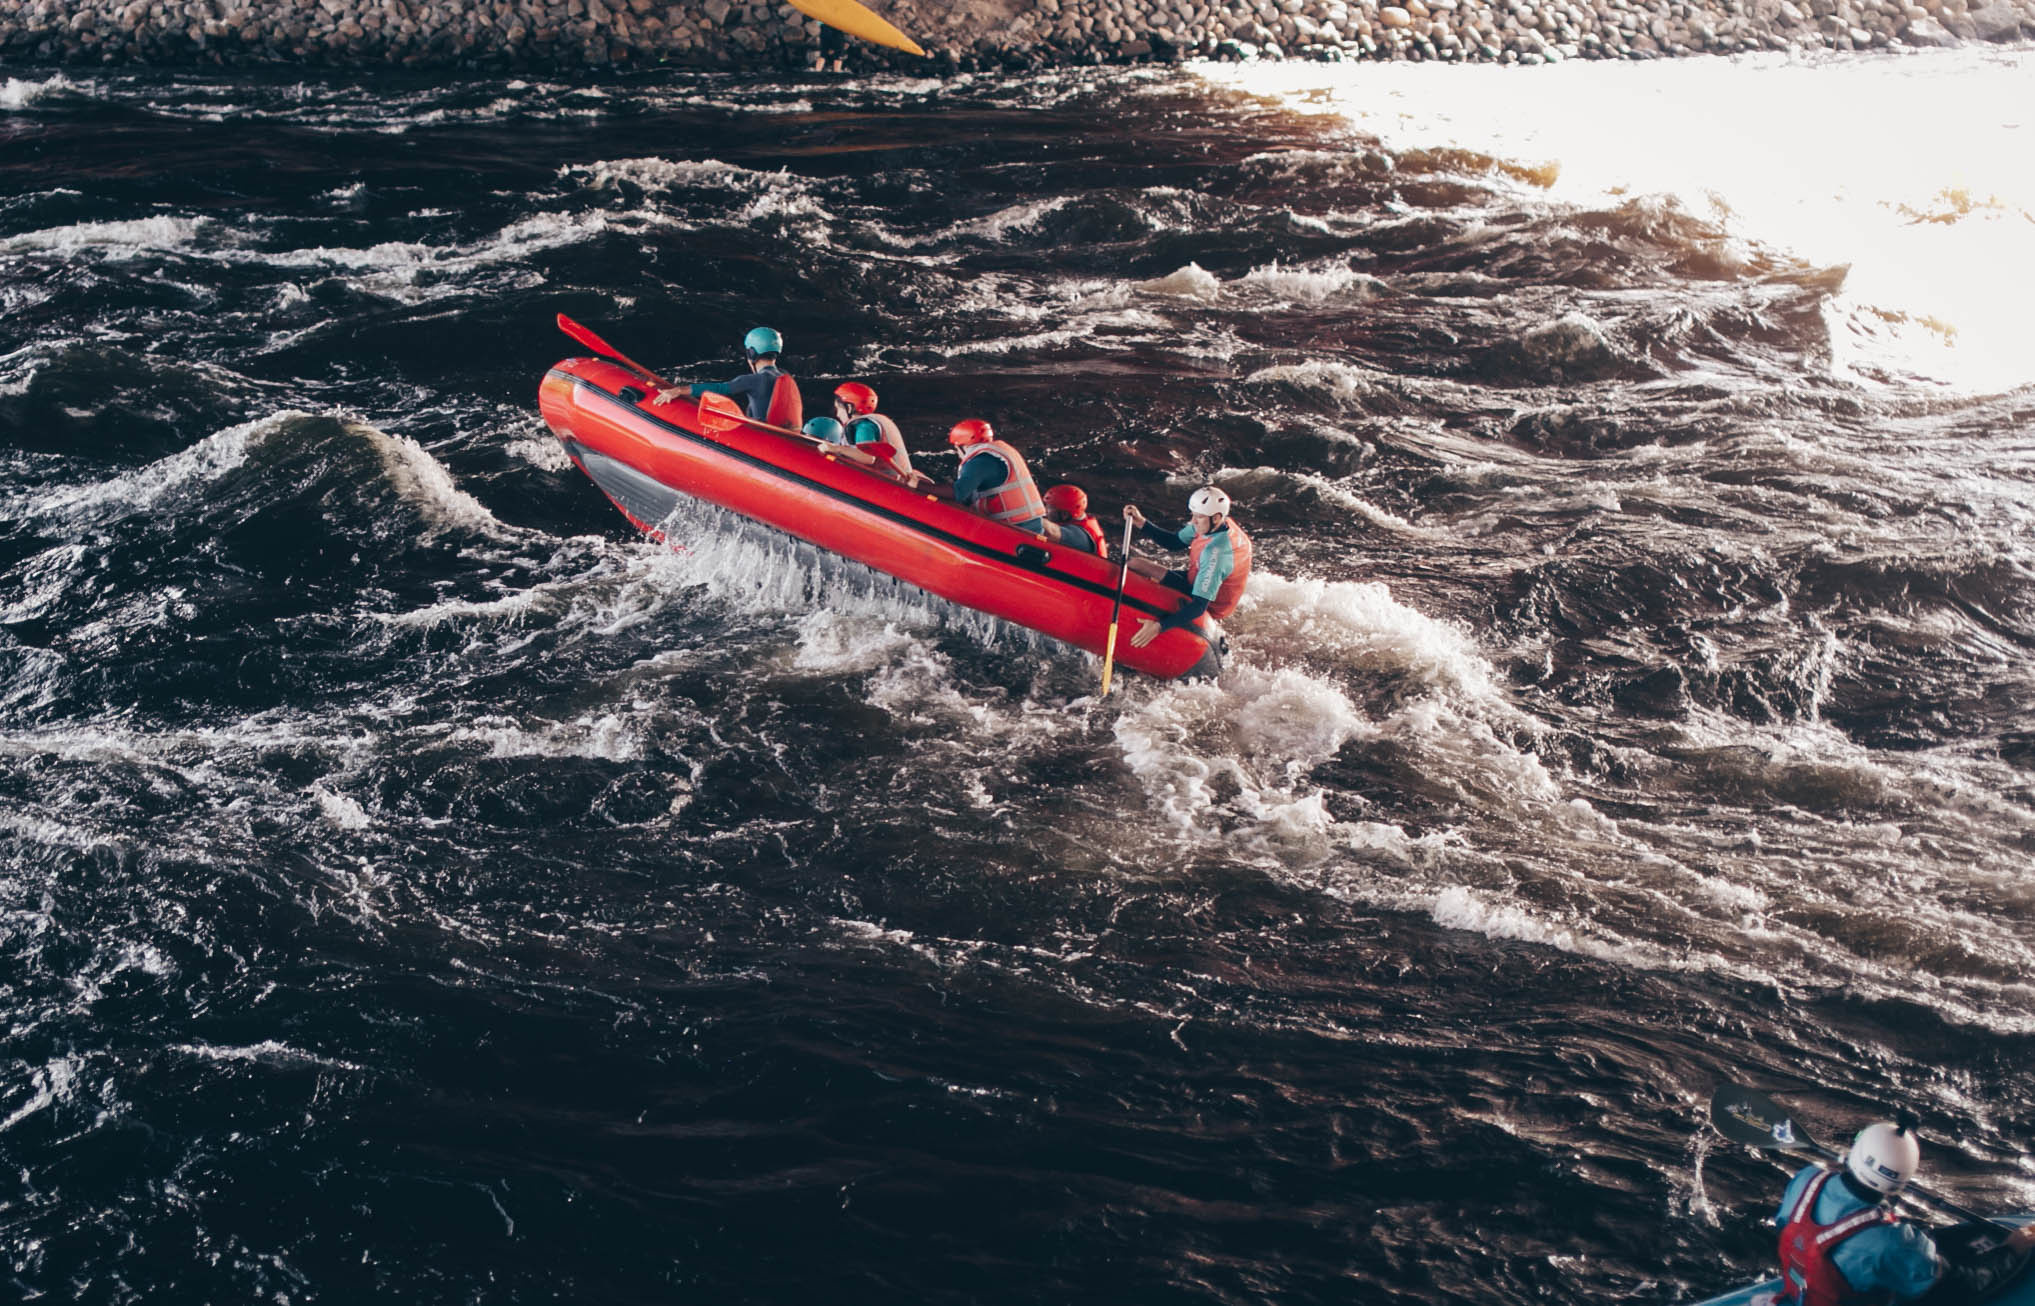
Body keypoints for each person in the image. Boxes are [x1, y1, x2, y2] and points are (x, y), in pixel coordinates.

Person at [1772, 1120, 2035, 1306]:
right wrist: (2010, 1252)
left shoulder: (1808, 1179)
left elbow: (1784, 1221)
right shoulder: (1892, 1242)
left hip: (1800, 1289)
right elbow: (1960, 1285)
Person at [1121, 485, 1251, 648]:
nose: (1192, 522)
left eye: (1199, 517)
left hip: (1211, 603)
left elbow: (1198, 607)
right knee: (1135, 564)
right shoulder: (1212, 524)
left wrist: (1158, 627)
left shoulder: (1216, 554)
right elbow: (1174, 542)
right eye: (1193, 516)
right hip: (1200, 577)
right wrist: (1141, 522)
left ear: (1216, 518)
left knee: (1137, 565)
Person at [657, 327, 802, 428]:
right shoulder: (785, 375)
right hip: (777, 434)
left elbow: (719, 388)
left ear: (751, 353)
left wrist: (678, 390)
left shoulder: (754, 380)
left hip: (760, 436)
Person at [948, 419, 1048, 535]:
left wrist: (922, 486)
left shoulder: (980, 461)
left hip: (1014, 530)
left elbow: (958, 493)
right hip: (1033, 525)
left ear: (961, 445)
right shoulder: (1001, 451)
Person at [1044, 484, 1107, 557]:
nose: (1045, 511)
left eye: (1050, 508)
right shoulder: (1078, 521)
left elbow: (1050, 531)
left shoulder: (1079, 536)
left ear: (1064, 515)